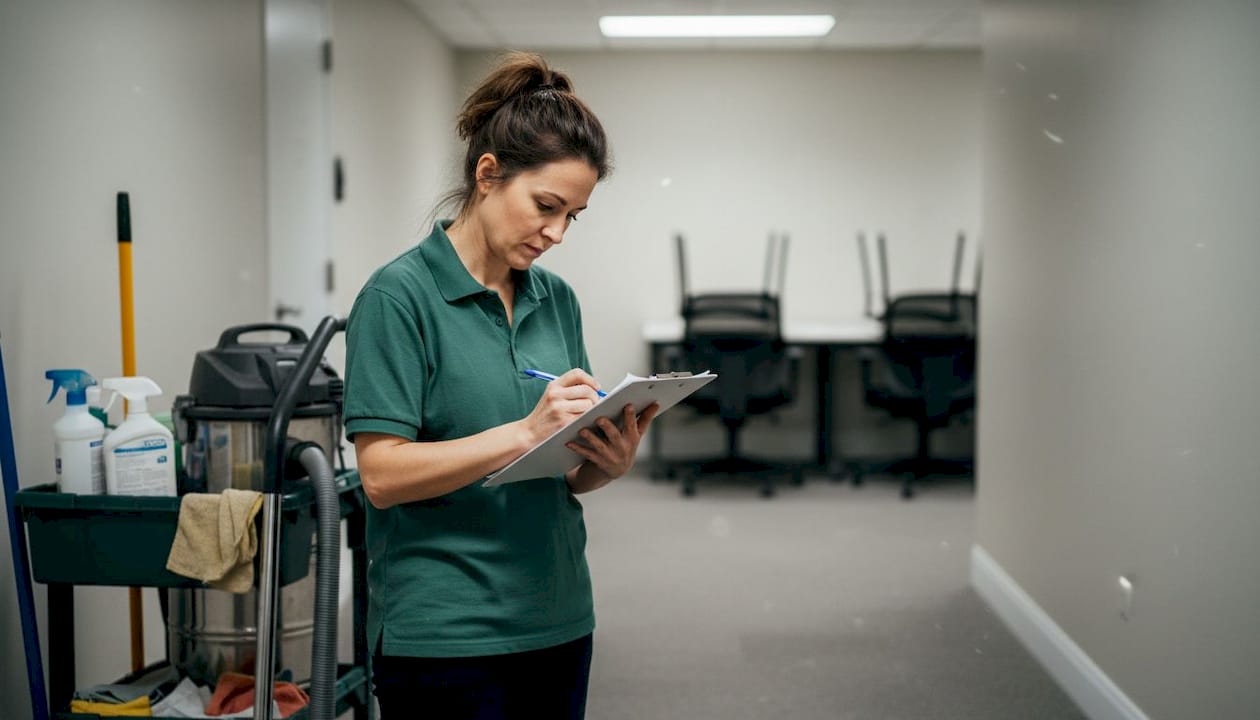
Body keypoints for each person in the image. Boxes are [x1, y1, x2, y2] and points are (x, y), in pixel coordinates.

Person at [342, 51, 659, 719]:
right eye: (547, 206)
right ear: (488, 175)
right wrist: (525, 431)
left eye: (573, 215)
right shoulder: (398, 297)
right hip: (446, 637)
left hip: (559, 615)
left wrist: (607, 461)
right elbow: (381, 476)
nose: (558, 232)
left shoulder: (557, 299)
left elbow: (565, 472)